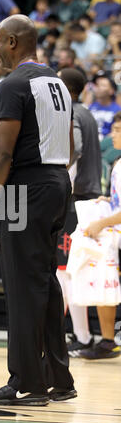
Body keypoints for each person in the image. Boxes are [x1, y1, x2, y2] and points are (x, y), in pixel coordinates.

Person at [0, 14, 76, 406]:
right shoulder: (59, 83)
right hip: (55, 184)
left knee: (21, 285)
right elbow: (67, 147)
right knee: (45, 284)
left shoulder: (12, 84)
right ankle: (59, 379)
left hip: (28, 189)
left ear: (13, 42)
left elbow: (1, 151)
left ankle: (27, 383)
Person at [56, 68, 102, 358]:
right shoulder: (87, 112)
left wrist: (60, 185)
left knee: (67, 271)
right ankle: (81, 335)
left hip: (76, 200)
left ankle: (82, 336)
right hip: (89, 198)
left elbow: (75, 150)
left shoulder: (71, 113)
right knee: (74, 271)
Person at [67, 112, 121, 360]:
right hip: (115, 235)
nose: (114, 135)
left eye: (119, 130)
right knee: (105, 284)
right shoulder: (117, 164)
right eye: (114, 129)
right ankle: (108, 341)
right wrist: (109, 200)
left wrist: (101, 222)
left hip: (112, 229)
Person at [89, 74, 121, 141]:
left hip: (107, 143)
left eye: (103, 85)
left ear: (111, 91)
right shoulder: (91, 107)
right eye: (97, 85)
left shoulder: (117, 110)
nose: (98, 88)